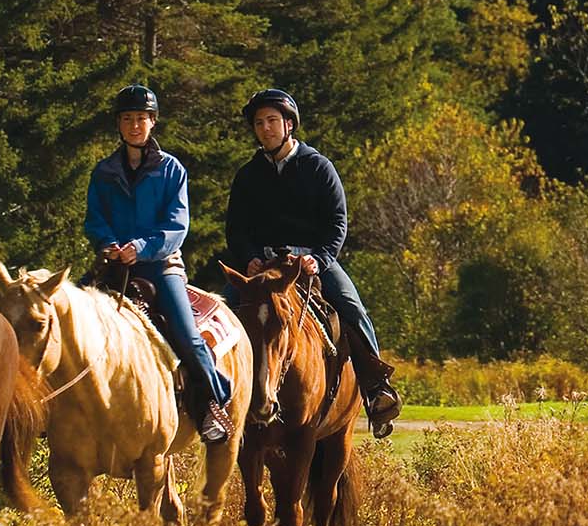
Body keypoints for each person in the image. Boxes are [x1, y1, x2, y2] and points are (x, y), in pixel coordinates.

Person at [223, 88, 401, 436]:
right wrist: (249, 259)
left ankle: (376, 389)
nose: (265, 128)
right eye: (259, 123)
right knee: (224, 311)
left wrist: (318, 260)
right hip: (265, 263)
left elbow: (338, 223)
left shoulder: (319, 167)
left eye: (272, 121)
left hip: (312, 260)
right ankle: (214, 397)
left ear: (289, 124)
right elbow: (236, 228)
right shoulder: (247, 175)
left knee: (352, 307)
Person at [86, 83, 232, 445]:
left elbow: (177, 226)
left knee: (186, 333)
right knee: (68, 319)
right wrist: (108, 244)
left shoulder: (172, 170)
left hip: (161, 265)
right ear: (119, 124)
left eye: (141, 118)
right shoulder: (103, 172)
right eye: (127, 119)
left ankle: (213, 403)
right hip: (114, 265)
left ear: (153, 122)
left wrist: (141, 247)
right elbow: (94, 218)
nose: (134, 125)